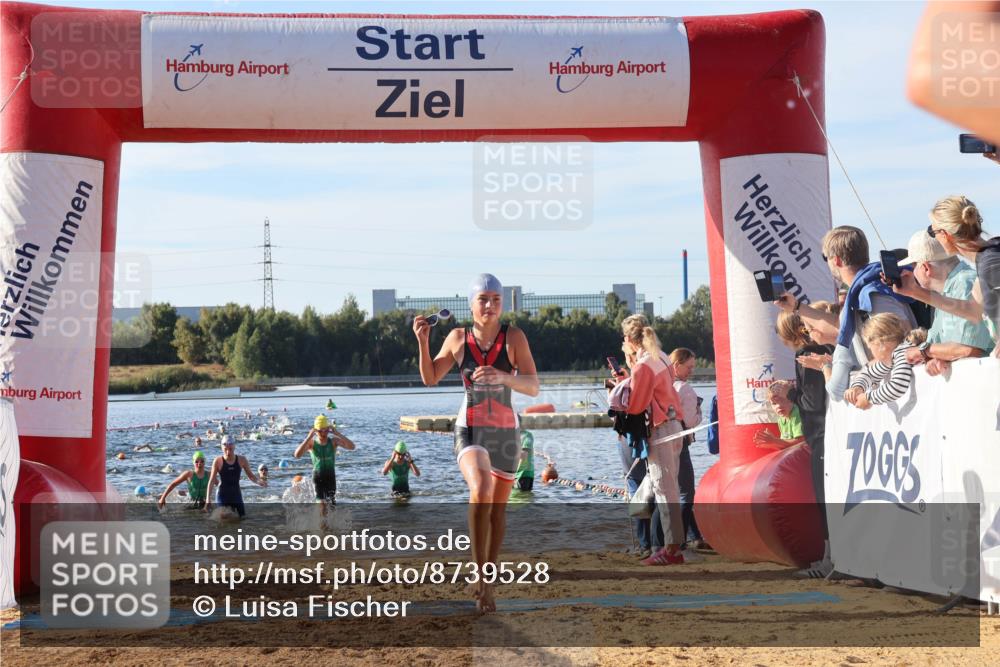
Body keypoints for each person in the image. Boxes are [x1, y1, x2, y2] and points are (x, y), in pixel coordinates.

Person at [412, 273, 539, 613]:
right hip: (469, 427)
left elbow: (533, 386)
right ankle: (477, 571)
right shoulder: (457, 338)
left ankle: (488, 579)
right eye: (483, 299)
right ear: (471, 305)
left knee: (498, 512)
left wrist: (503, 376)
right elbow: (429, 378)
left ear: (501, 304)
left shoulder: (514, 338)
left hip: (506, 432)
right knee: (480, 487)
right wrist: (423, 342)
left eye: (495, 300)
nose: (489, 305)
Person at [776, 226, 917, 399]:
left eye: (825, 257)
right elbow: (837, 326)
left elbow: (903, 339)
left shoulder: (872, 294)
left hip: (900, 395)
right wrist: (797, 307)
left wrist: (861, 376)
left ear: (836, 260)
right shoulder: (861, 294)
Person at [612, 314, 692, 566]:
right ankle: (672, 547)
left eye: (623, 339)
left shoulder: (643, 366)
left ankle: (672, 550)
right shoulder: (663, 356)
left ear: (629, 339)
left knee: (663, 489)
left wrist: (620, 386)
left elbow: (635, 406)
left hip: (661, 429)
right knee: (667, 487)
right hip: (675, 425)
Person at [893, 196, 1000, 358]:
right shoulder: (988, 258)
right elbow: (974, 311)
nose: (934, 237)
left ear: (944, 235)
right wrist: (914, 291)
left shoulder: (990, 263)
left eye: (933, 231)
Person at [668, 348, 705, 550]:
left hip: (662, 443)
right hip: (681, 443)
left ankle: (694, 536)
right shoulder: (685, 389)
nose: (691, 371)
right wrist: (699, 413)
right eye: (689, 367)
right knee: (687, 493)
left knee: (671, 491)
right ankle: (678, 540)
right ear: (677, 365)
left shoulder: (664, 385)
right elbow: (690, 421)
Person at [845, 313, 916, 409]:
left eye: (871, 348)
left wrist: (868, 398)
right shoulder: (891, 358)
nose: (872, 354)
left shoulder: (903, 352)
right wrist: (857, 387)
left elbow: (897, 386)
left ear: (880, 345)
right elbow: (868, 373)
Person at [294, 415, 355, 515]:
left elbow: (352, 447)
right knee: (322, 505)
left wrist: (338, 433)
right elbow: (297, 455)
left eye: (326, 430)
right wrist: (308, 437)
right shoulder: (311, 443)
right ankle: (321, 529)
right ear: (315, 431)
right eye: (320, 431)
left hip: (331, 478)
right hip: (318, 478)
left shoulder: (334, 441)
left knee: (331, 508)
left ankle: (328, 529)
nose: (323, 433)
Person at [203, 436, 266, 517]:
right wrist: (208, 499)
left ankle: (238, 530)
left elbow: (251, 476)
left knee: (242, 517)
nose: (228, 452)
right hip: (222, 494)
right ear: (222, 447)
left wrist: (259, 482)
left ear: (234, 447)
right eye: (225, 449)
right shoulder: (217, 461)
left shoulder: (242, 460)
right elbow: (211, 481)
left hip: (236, 494)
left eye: (230, 449)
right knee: (223, 518)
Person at [753, 381, 805, 450]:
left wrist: (775, 441)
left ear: (792, 399)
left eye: (782, 400)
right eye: (774, 403)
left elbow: (801, 443)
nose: (778, 406)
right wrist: (773, 444)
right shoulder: (781, 419)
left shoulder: (796, 414)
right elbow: (786, 446)